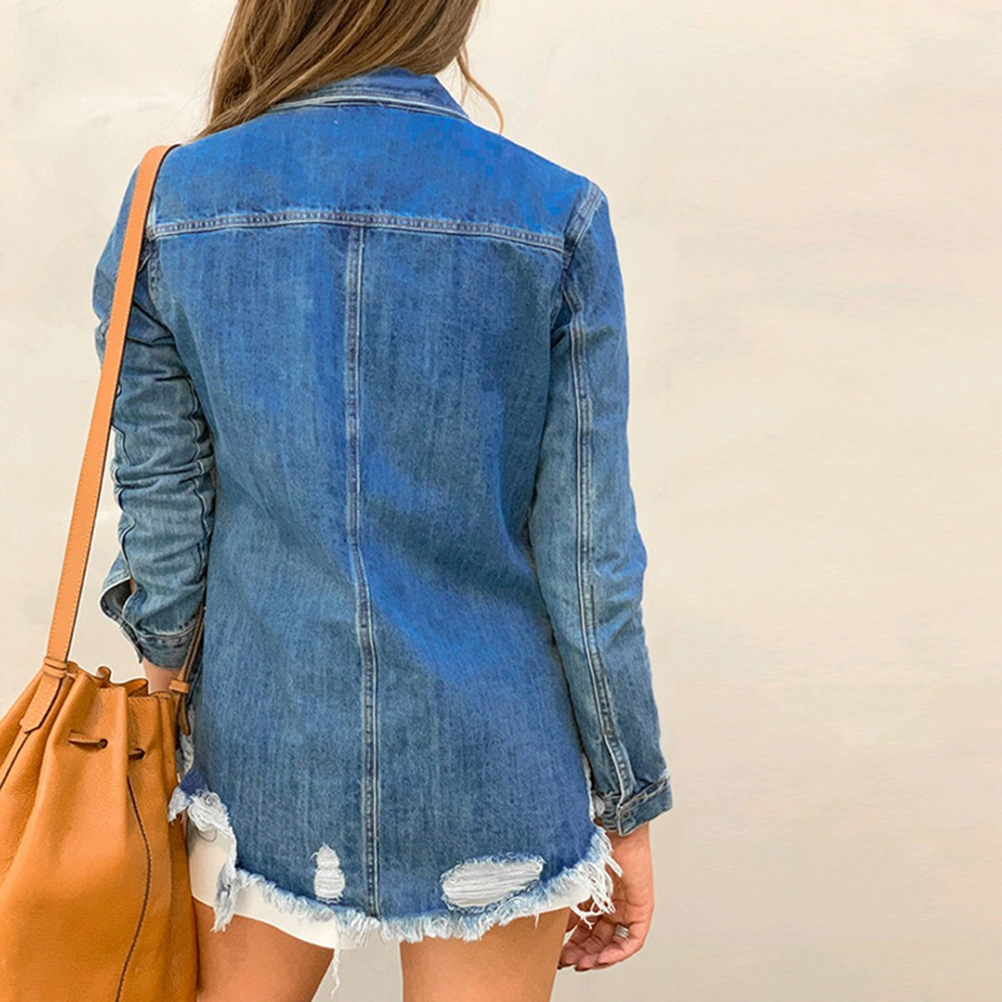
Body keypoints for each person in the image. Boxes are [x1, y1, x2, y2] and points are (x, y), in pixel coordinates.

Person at [92, 2, 672, 1000]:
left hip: (262, 749)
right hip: (495, 760)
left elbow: (166, 514)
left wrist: (162, 699)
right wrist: (628, 804)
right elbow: (590, 561)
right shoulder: (554, 213)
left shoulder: (173, 203)